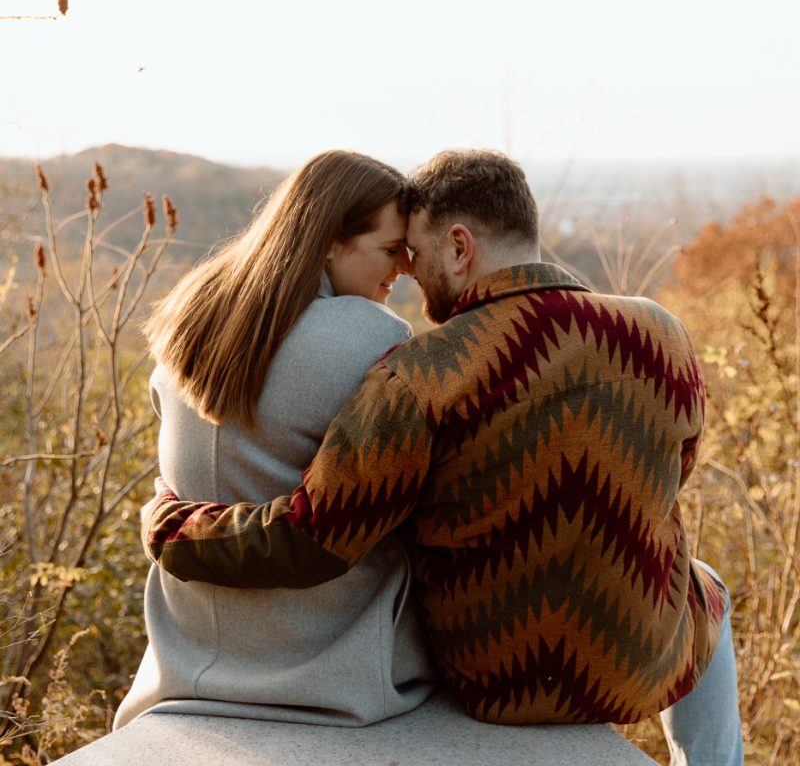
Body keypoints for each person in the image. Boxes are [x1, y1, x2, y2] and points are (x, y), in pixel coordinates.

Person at [141, 149, 744, 764]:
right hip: (642, 661)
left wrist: (175, 527)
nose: (408, 275)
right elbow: (674, 473)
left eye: (418, 255)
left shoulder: (423, 374)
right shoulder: (661, 334)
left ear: (459, 247)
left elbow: (320, 534)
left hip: (494, 675)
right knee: (708, 587)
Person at [114, 150, 439, 730]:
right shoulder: (370, 336)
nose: (405, 269)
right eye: (391, 250)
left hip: (186, 663)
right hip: (325, 668)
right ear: (330, 242)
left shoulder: (192, 311)